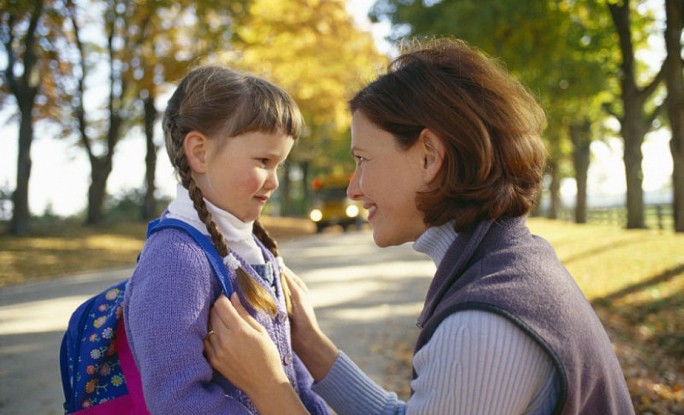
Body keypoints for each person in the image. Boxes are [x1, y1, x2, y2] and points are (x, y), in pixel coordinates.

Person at [203, 38, 636, 415]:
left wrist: (267, 385)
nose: (353, 188)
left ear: (428, 156)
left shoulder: (483, 326)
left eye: (362, 160)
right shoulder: (512, 263)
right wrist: (310, 345)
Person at [123, 65, 330, 415]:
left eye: (279, 165)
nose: (274, 181)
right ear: (199, 152)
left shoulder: (254, 249)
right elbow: (178, 401)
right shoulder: (175, 260)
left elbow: (294, 372)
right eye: (264, 160)